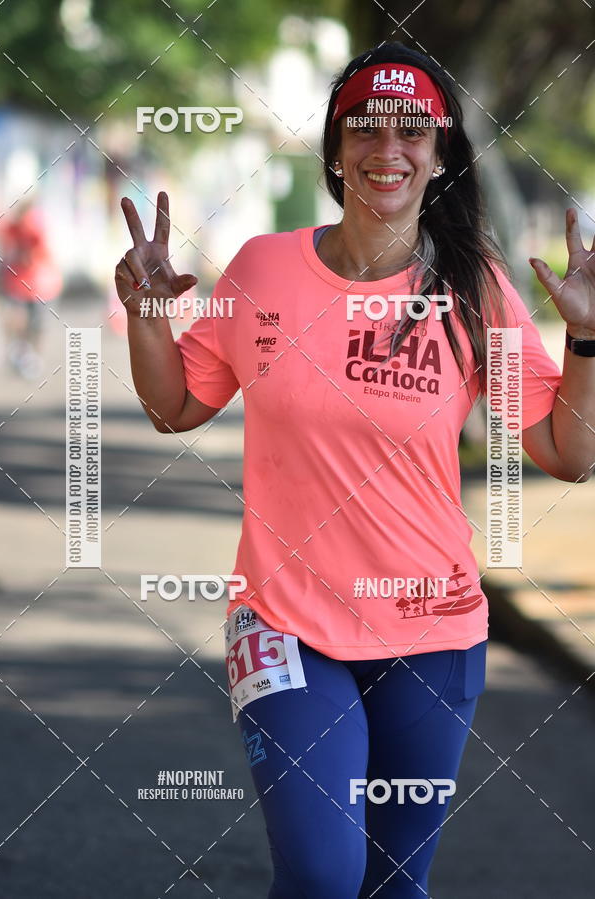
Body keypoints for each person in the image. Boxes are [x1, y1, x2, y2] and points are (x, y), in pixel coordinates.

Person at [115, 41, 595, 899]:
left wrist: (588, 341)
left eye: (413, 130)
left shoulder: (473, 285)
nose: (389, 147)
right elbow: (174, 406)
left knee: (393, 884)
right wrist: (149, 315)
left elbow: (567, 452)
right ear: (336, 149)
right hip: (285, 625)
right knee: (326, 875)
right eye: (365, 126)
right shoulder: (264, 269)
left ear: (440, 153)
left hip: (433, 632)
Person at [0, 199, 62, 379]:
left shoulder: (36, 227)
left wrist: (28, 253)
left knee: (38, 325)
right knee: (17, 319)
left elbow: (42, 250)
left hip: (41, 286)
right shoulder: (13, 226)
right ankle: (21, 351)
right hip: (19, 285)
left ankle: (32, 356)